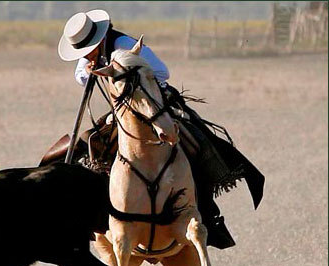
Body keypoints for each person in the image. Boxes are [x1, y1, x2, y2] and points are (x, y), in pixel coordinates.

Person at [50, 10, 265, 250]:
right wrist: (90, 71)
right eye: (82, 52)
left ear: (98, 38)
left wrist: (131, 78)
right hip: (123, 110)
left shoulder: (123, 44)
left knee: (196, 143)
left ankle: (209, 215)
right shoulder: (89, 51)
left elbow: (162, 72)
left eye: (87, 50)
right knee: (87, 144)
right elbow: (79, 74)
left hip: (157, 104)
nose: (85, 55)